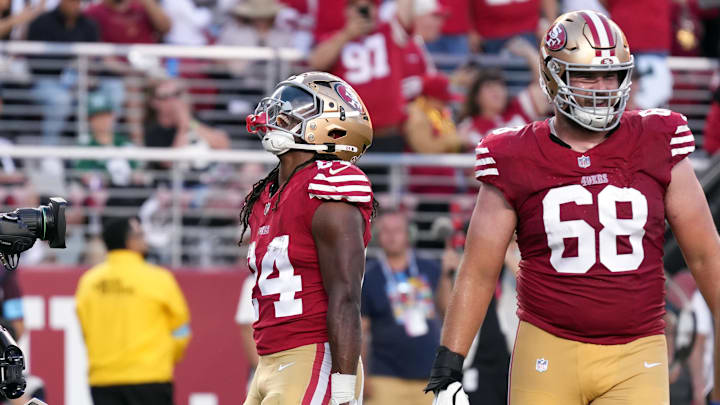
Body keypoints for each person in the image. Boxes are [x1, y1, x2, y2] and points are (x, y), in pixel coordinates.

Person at [425, 9, 720, 405]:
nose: (601, 87)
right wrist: (449, 364)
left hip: (636, 350)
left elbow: (705, 255)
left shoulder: (657, 138)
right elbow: (479, 268)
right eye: (586, 75)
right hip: (548, 347)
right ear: (553, 77)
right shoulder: (515, 153)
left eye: (610, 74)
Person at [240, 71, 375, 405]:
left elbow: (345, 293)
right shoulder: (267, 194)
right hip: (269, 360)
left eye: (295, 108)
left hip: (313, 355)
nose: (280, 114)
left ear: (330, 125)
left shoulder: (330, 184)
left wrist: (342, 388)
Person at [75, 217, 191, 405]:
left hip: (103, 380)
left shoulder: (89, 283)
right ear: (130, 241)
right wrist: (165, 357)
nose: (145, 240)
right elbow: (181, 330)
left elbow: (85, 329)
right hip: (150, 378)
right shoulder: (159, 279)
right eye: (141, 235)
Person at [361, 209, 451, 405]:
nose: (392, 236)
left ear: (409, 234)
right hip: (384, 377)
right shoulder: (369, 277)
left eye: (398, 230)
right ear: (377, 236)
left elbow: (447, 313)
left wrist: (447, 275)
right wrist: (362, 376)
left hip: (429, 375)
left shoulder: (430, 268)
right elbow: (361, 331)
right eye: (386, 231)